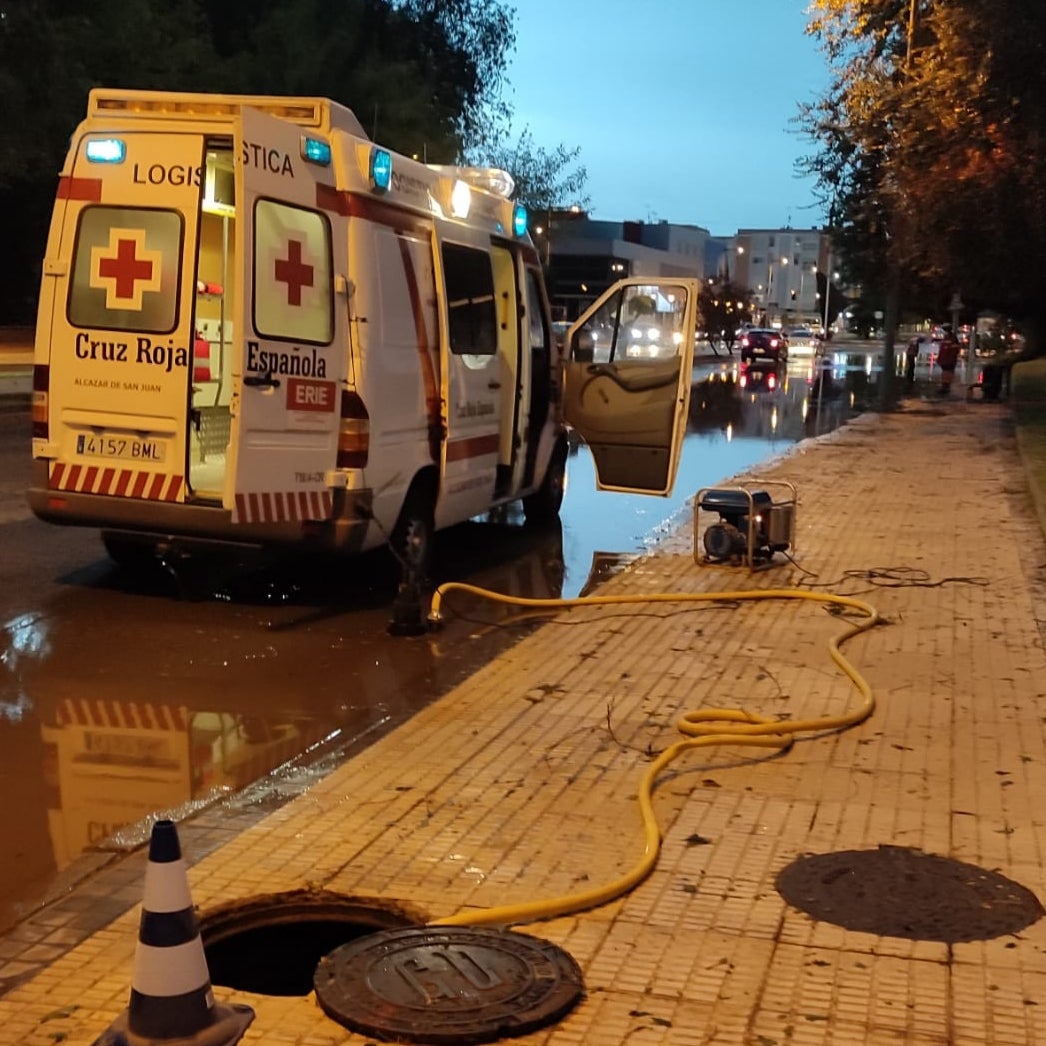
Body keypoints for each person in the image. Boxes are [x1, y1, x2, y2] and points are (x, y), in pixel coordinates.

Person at [936, 329, 960, 395]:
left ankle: (945, 386)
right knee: (948, 373)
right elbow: (956, 351)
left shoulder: (945, 341)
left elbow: (942, 351)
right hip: (950, 361)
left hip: (944, 361)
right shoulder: (953, 341)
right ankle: (946, 386)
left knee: (945, 373)